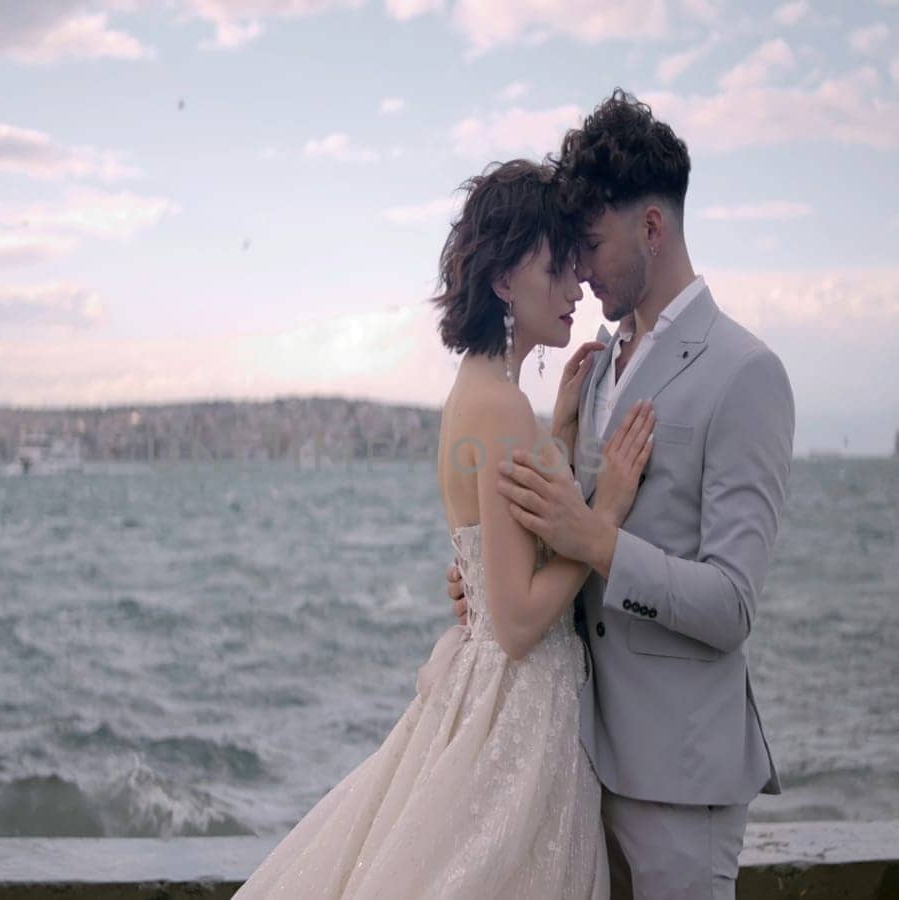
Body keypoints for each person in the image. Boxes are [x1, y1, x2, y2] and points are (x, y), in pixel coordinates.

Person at [234, 159, 656, 899]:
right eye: (555, 268)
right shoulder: (496, 406)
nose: (573, 290)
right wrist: (608, 513)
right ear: (501, 282)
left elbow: (508, 552)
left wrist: (555, 429)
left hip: (502, 697)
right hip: (520, 713)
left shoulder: (483, 392)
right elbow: (519, 619)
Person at [449, 90, 795, 899]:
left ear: (651, 227)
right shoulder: (594, 367)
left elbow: (732, 604)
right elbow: (550, 547)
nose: (578, 268)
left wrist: (593, 536)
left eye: (592, 244)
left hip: (680, 779)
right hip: (576, 763)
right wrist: (492, 577)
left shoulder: (746, 372)